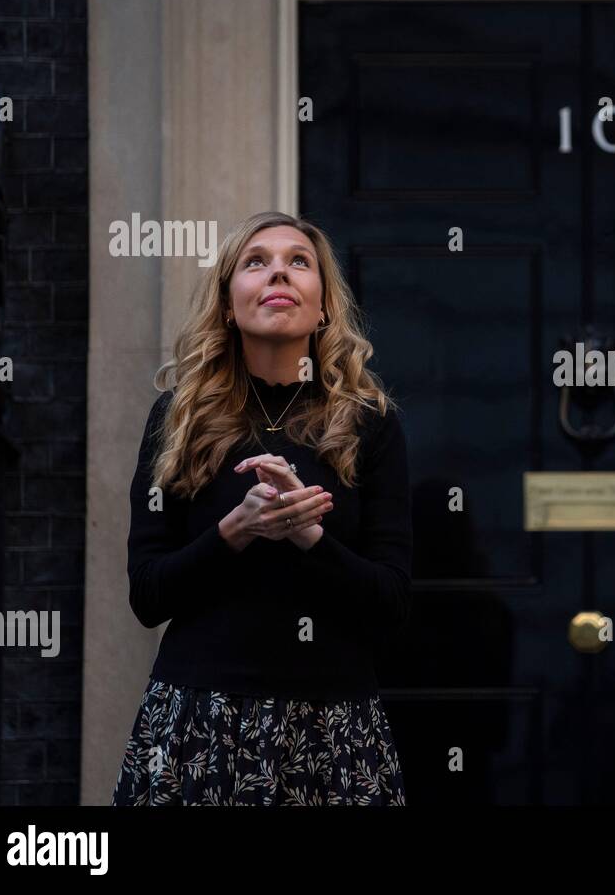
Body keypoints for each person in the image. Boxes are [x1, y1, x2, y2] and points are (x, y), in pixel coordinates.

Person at [112, 211, 411, 805]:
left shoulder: (368, 422)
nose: (278, 273)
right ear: (228, 304)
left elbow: (392, 603)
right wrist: (234, 532)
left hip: (333, 725)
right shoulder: (179, 419)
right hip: (200, 718)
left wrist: (310, 538)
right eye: (256, 263)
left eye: (299, 262)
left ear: (323, 305)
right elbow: (147, 596)